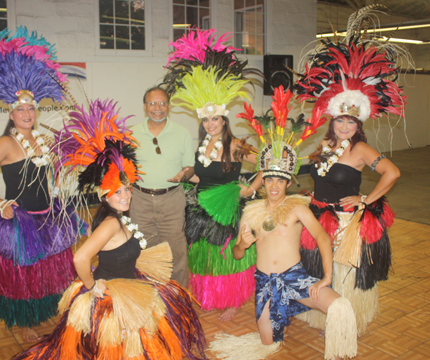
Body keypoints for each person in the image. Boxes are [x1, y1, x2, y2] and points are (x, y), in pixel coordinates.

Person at [13, 98, 207, 360]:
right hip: (111, 296)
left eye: (127, 189)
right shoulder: (111, 222)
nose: (126, 195)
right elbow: (80, 258)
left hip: (128, 284)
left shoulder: (122, 216)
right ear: (105, 196)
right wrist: (93, 286)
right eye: (118, 191)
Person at [0, 26, 86, 342]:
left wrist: (58, 182)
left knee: (45, 271)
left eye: (31, 107)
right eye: (20, 109)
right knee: (21, 276)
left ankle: (42, 311)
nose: (27, 113)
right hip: (20, 220)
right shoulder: (5, 143)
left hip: (47, 214)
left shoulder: (44, 138)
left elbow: (52, 170)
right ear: (11, 113)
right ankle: (23, 320)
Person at [294, 7, 406, 335]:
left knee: (344, 272)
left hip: (346, 222)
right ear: (333, 120)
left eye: (350, 121)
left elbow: (393, 172)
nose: (344, 125)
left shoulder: (361, 149)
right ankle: (321, 315)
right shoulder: (326, 146)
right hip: (319, 215)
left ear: (358, 123)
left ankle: (347, 319)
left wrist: (365, 199)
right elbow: (313, 171)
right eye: (340, 120)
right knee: (316, 267)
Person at [209, 139, 357, 360]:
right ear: (263, 182)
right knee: (269, 345)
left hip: (295, 277)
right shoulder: (251, 211)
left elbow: (323, 238)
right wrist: (242, 244)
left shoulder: (297, 207)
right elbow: (236, 254)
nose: (274, 186)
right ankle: (282, 317)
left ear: (288, 183)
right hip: (266, 283)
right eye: (269, 180)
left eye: (280, 180)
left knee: (340, 307)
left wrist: (326, 277)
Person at [162, 29, 265, 321]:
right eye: (206, 119)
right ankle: (208, 294)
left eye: (215, 118)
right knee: (204, 254)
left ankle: (232, 300)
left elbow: (266, 162)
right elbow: (202, 177)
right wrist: (185, 174)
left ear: (224, 119)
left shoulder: (234, 145)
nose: (210, 124)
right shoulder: (202, 145)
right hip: (202, 205)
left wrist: (250, 188)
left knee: (227, 254)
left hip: (228, 207)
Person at [130, 86, 195, 288]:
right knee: (144, 250)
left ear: (168, 106)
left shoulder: (182, 133)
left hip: (172, 199)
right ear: (144, 107)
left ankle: (178, 297)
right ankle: (150, 293)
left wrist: (185, 174)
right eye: (152, 103)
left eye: (162, 103)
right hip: (140, 200)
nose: (157, 108)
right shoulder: (131, 134)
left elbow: (190, 168)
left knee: (176, 250)